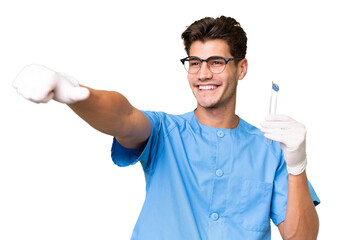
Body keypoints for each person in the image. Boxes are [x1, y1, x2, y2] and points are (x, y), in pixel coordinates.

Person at [13, 16, 320, 240]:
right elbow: (123, 117)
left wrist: (297, 166)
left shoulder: (270, 148)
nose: (202, 74)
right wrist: (77, 95)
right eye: (194, 62)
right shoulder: (165, 132)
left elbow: (302, 237)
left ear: (241, 68)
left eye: (216, 62)